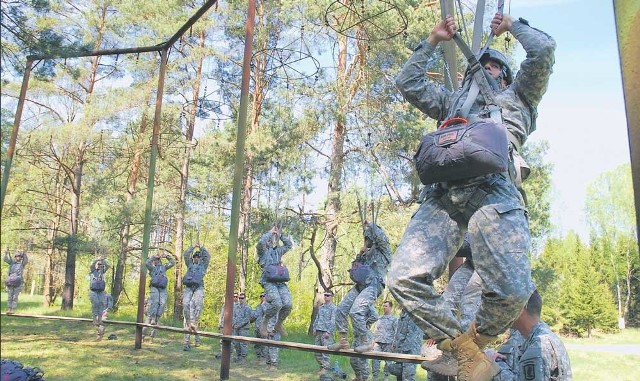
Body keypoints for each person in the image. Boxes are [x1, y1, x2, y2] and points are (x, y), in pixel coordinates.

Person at [389, 12, 555, 381]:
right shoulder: (451, 103)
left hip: (494, 191)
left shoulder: (518, 98)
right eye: (483, 63)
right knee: (403, 279)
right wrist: (433, 40)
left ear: (507, 76)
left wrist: (514, 26)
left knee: (512, 291)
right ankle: (464, 352)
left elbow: (543, 50)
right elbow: (408, 81)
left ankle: (474, 346)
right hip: (443, 196)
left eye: (497, 65)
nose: (488, 68)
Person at [328, 220, 392, 358]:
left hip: (374, 285)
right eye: (365, 237)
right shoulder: (367, 253)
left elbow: (381, 237)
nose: (366, 240)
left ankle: (366, 340)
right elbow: (357, 269)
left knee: (356, 311)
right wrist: (360, 254)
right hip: (360, 286)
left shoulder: (384, 251)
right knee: (341, 310)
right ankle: (343, 341)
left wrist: (371, 225)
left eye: (368, 237)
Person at [490, 290, 572, 381]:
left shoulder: (540, 345)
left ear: (521, 308)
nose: (504, 312)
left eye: (508, 306)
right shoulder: (535, 336)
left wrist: (496, 364)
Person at [257, 226, 293, 338]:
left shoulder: (278, 251)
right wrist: (270, 232)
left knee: (287, 304)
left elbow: (289, 245)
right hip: (268, 281)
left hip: (279, 281)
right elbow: (260, 243)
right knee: (277, 303)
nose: (270, 241)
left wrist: (280, 235)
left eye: (271, 239)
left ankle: (278, 324)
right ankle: (265, 321)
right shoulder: (262, 252)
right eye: (269, 240)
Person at [182, 243, 210, 351]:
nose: (196, 258)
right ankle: (189, 322)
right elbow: (185, 255)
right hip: (189, 287)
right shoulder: (189, 264)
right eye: (195, 257)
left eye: (198, 257)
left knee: (198, 304)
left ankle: (194, 323)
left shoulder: (203, 265)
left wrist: (201, 248)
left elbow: (207, 256)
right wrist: (193, 247)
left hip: (198, 287)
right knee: (185, 304)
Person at [142, 252, 176, 343]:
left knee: (163, 303)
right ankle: (142, 335)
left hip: (162, 288)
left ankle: (152, 335)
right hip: (154, 288)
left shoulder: (164, 267)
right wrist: (153, 256)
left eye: (157, 260)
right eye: (155, 260)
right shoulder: (152, 268)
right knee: (155, 302)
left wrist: (167, 256)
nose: (156, 261)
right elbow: (146, 263)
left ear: (160, 260)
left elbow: (173, 263)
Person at [385, 309, 424, 381]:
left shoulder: (414, 313)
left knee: (407, 377)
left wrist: (403, 350)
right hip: (401, 350)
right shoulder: (403, 313)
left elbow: (412, 336)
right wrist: (395, 345)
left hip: (410, 351)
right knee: (399, 375)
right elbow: (399, 332)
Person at [371, 300, 398, 380]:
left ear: (390, 307)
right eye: (384, 306)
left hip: (388, 343)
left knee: (388, 361)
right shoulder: (379, 318)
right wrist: (373, 340)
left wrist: (394, 344)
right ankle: (375, 377)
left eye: (386, 306)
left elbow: (396, 333)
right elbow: (375, 330)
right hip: (378, 342)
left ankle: (386, 377)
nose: (384, 307)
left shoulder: (394, 319)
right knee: (375, 360)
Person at [313, 291, 337, 374]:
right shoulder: (321, 307)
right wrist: (314, 328)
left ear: (331, 297)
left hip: (326, 333)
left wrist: (329, 332)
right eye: (325, 295)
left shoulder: (334, 308)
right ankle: (321, 367)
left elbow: (334, 321)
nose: (326, 297)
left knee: (325, 351)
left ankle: (325, 369)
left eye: (328, 295)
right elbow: (317, 318)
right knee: (317, 351)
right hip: (319, 331)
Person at [89, 256, 110, 340]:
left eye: (100, 265)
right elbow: (92, 264)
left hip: (101, 291)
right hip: (93, 291)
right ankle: (95, 319)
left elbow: (107, 266)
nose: (99, 265)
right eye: (98, 264)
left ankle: (100, 319)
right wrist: (97, 259)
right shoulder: (92, 271)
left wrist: (103, 260)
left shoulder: (102, 272)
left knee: (101, 304)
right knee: (95, 303)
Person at [232, 292, 253, 363]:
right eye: (239, 298)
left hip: (243, 329)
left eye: (242, 298)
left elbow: (246, 319)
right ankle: (238, 356)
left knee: (243, 343)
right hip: (236, 328)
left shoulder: (247, 307)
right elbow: (234, 316)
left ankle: (243, 358)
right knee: (236, 343)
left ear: (245, 299)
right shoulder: (236, 306)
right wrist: (234, 324)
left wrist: (239, 325)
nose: (240, 299)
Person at [253, 293, 268, 364]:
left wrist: (263, 305)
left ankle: (264, 359)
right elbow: (255, 315)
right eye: (261, 296)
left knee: (264, 344)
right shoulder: (258, 306)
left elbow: (267, 313)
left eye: (263, 296)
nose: (262, 297)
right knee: (257, 344)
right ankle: (258, 357)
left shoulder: (268, 306)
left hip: (264, 328)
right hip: (257, 327)